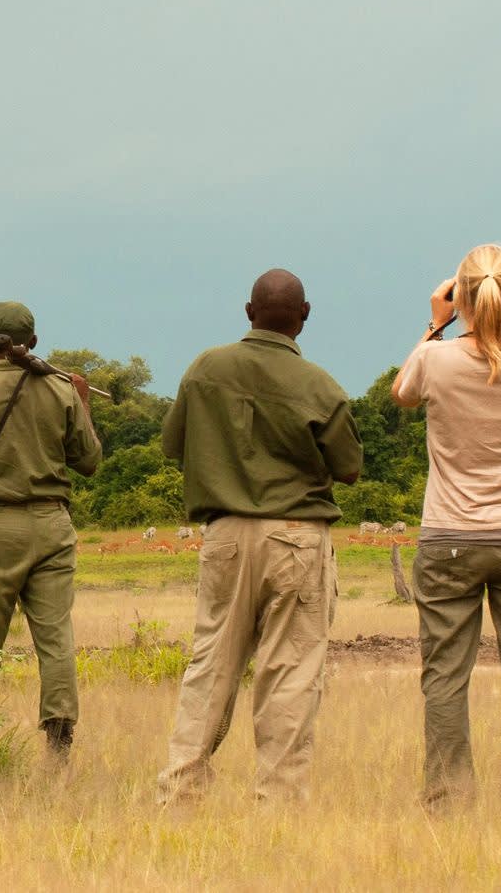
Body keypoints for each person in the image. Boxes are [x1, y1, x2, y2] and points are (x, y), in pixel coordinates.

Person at [156, 269, 362, 804]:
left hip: (224, 534)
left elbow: (172, 444)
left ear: (248, 312)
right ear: (305, 315)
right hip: (297, 537)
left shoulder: (205, 368)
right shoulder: (320, 384)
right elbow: (349, 468)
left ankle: (180, 794)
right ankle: (279, 805)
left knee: (210, 665)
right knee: (290, 673)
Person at [392, 244, 501, 809]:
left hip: (449, 538)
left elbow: (400, 394)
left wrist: (435, 324)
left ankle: (447, 798)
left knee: (444, 676)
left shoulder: (434, 359)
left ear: (460, 296)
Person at [0, 301, 102, 754]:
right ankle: (59, 750)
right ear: (34, 340)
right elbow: (88, 462)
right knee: (55, 640)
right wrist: (83, 404)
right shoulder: (62, 390)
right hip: (52, 525)